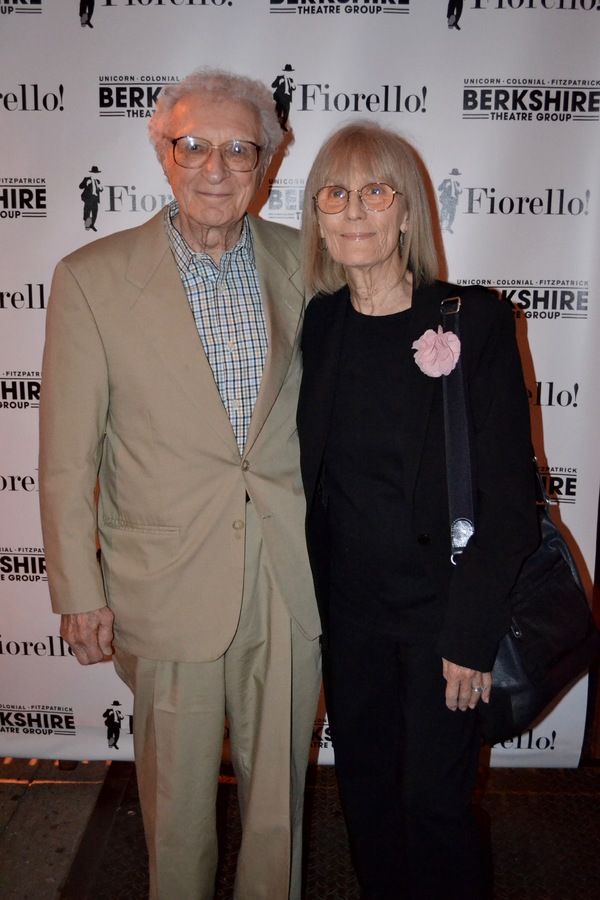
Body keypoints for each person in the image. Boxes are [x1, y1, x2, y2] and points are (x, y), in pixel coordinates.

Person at [39, 68, 321, 900]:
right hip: (162, 581)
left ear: (268, 162)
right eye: (192, 145)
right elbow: (65, 456)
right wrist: (75, 587)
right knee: (176, 810)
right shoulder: (91, 278)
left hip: (286, 571)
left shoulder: (304, 262)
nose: (215, 168)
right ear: (162, 153)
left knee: (281, 807)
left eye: (240, 150)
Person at [297, 122, 539, 900]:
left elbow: (509, 499)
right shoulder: (323, 323)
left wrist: (470, 635)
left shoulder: (472, 320)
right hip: (351, 618)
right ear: (318, 216)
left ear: (407, 212)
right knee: (366, 798)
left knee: (434, 808)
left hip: (443, 620)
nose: (355, 210)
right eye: (335, 193)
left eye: (376, 191)